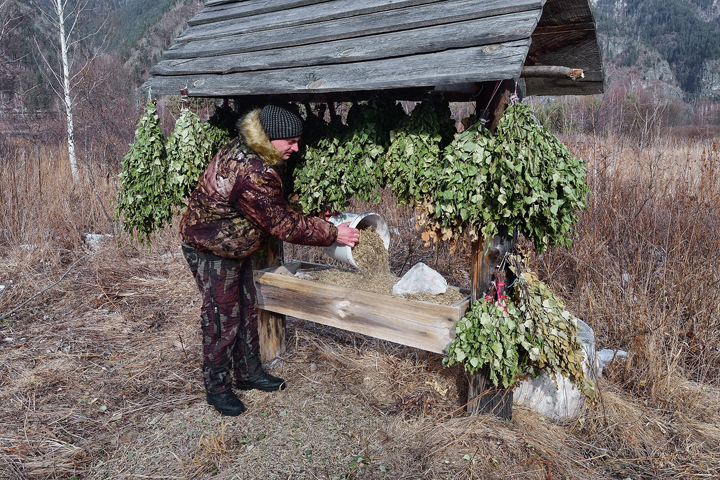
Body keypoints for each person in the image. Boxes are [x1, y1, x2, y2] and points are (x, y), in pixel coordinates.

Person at [179, 103, 359, 416]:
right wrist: (332, 234)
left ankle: (248, 374)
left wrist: (314, 214)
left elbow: (275, 201)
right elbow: (283, 224)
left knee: (248, 310)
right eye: (290, 141)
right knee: (223, 319)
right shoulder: (251, 171)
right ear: (271, 137)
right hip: (211, 248)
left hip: (237, 245)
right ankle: (217, 389)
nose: (296, 147)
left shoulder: (259, 153)